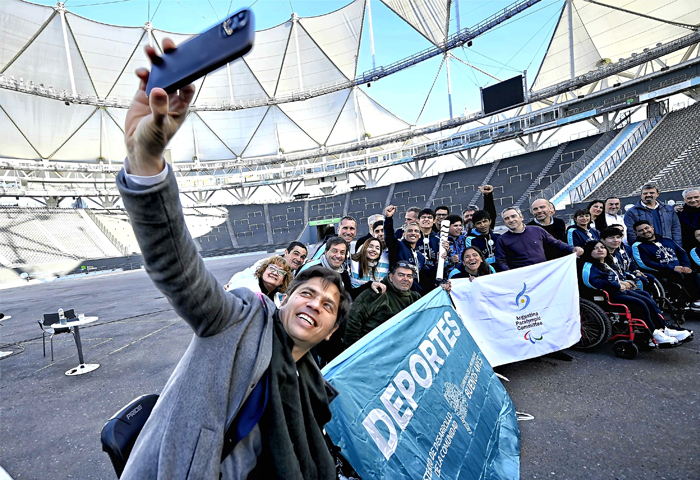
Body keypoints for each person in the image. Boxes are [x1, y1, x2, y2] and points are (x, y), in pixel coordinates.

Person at [116, 39, 351, 479]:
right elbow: (176, 268)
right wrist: (146, 163)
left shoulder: (311, 386)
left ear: (330, 332)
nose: (314, 305)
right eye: (307, 293)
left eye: (327, 306)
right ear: (284, 299)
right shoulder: (239, 320)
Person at [578, 241, 690, 346]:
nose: (600, 250)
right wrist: (617, 285)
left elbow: (613, 277)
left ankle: (662, 328)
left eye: (602, 247)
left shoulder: (606, 263)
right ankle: (653, 333)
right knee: (638, 303)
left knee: (646, 296)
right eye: (595, 248)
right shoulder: (588, 265)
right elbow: (592, 282)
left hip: (616, 290)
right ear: (589, 251)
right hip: (604, 296)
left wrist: (623, 282)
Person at [343, 262, 421, 346]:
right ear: (391, 277)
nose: (405, 279)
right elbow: (353, 318)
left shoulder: (416, 298)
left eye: (409, 276)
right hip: (371, 349)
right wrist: (354, 348)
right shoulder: (377, 293)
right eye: (401, 275)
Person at [631, 220, 700, 309]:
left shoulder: (667, 240)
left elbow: (681, 253)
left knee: (697, 275)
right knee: (678, 276)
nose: (645, 231)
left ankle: (697, 300)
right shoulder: (638, 246)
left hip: (680, 268)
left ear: (652, 227)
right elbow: (644, 264)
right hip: (661, 271)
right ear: (636, 233)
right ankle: (691, 301)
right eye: (640, 230)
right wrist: (672, 268)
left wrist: (686, 266)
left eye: (646, 228)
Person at [495, 207, 582, 271]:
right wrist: (510, 274)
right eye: (507, 218)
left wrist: (572, 249)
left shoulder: (537, 230)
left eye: (513, 216)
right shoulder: (502, 239)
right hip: (522, 277)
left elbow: (556, 243)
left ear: (521, 217)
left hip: (542, 273)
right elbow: (500, 261)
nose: (511, 220)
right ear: (504, 222)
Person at [225, 242, 308, 291]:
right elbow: (245, 274)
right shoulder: (267, 263)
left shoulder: (296, 272)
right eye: (296, 254)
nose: (298, 259)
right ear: (286, 252)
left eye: (302, 257)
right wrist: (231, 284)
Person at [383, 205, 429, 292]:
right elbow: (389, 237)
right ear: (404, 234)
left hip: (413, 295)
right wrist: (389, 219)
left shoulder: (420, 257)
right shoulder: (398, 246)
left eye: (416, 231)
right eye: (410, 230)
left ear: (419, 236)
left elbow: (426, 277)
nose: (413, 233)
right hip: (397, 293)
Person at [225, 257, 293, 306]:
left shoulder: (277, 300)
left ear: (283, 281)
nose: (275, 273)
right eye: (272, 268)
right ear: (263, 270)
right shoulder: (242, 286)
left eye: (281, 272)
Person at [676, 188, 700, 252]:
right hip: (688, 247)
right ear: (684, 199)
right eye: (689, 198)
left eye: (696, 197)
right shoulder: (679, 213)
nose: (693, 200)